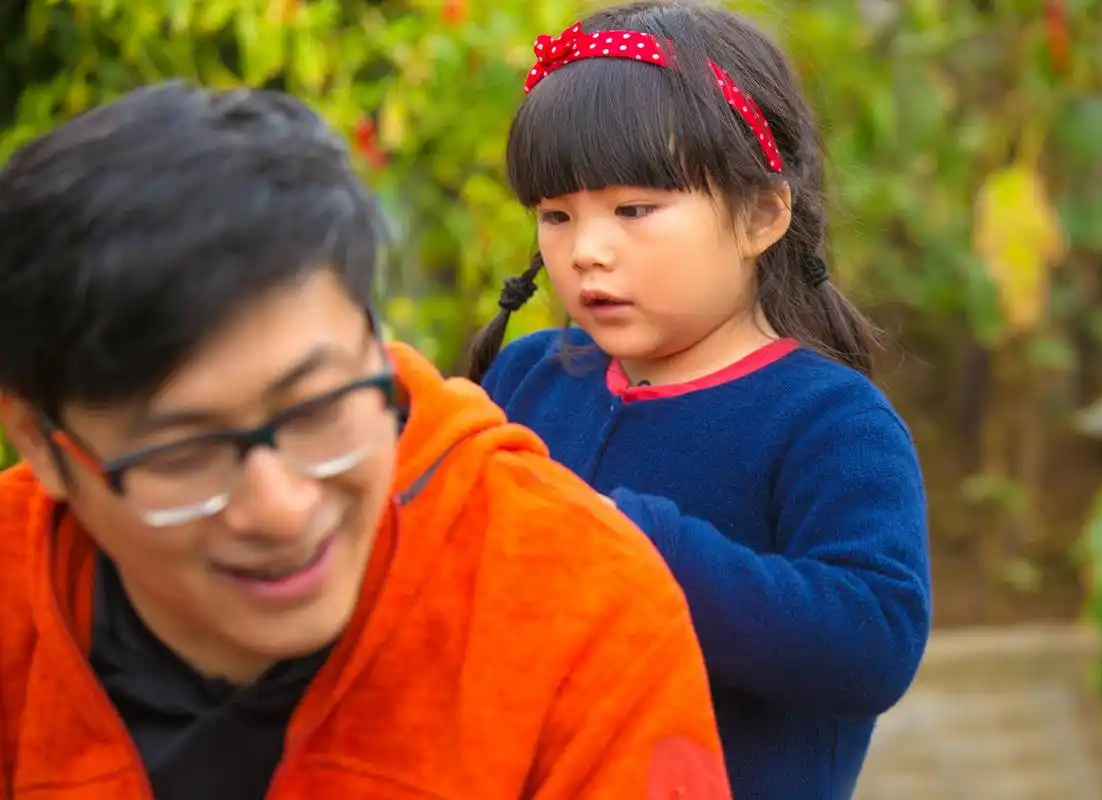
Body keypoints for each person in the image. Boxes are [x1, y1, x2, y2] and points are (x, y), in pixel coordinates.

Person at [0, 81, 733, 800]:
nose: (281, 509)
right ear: (42, 444)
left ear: (376, 350)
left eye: (318, 410)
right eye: (185, 454)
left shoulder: (580, 609)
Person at [469, 2, 932, 798]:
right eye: (556, 214)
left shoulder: (828, 422)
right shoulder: (529, 378)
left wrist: (646, 549)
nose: (585, 250)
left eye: (634, 210)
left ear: (760, 214)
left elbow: (873, 638)